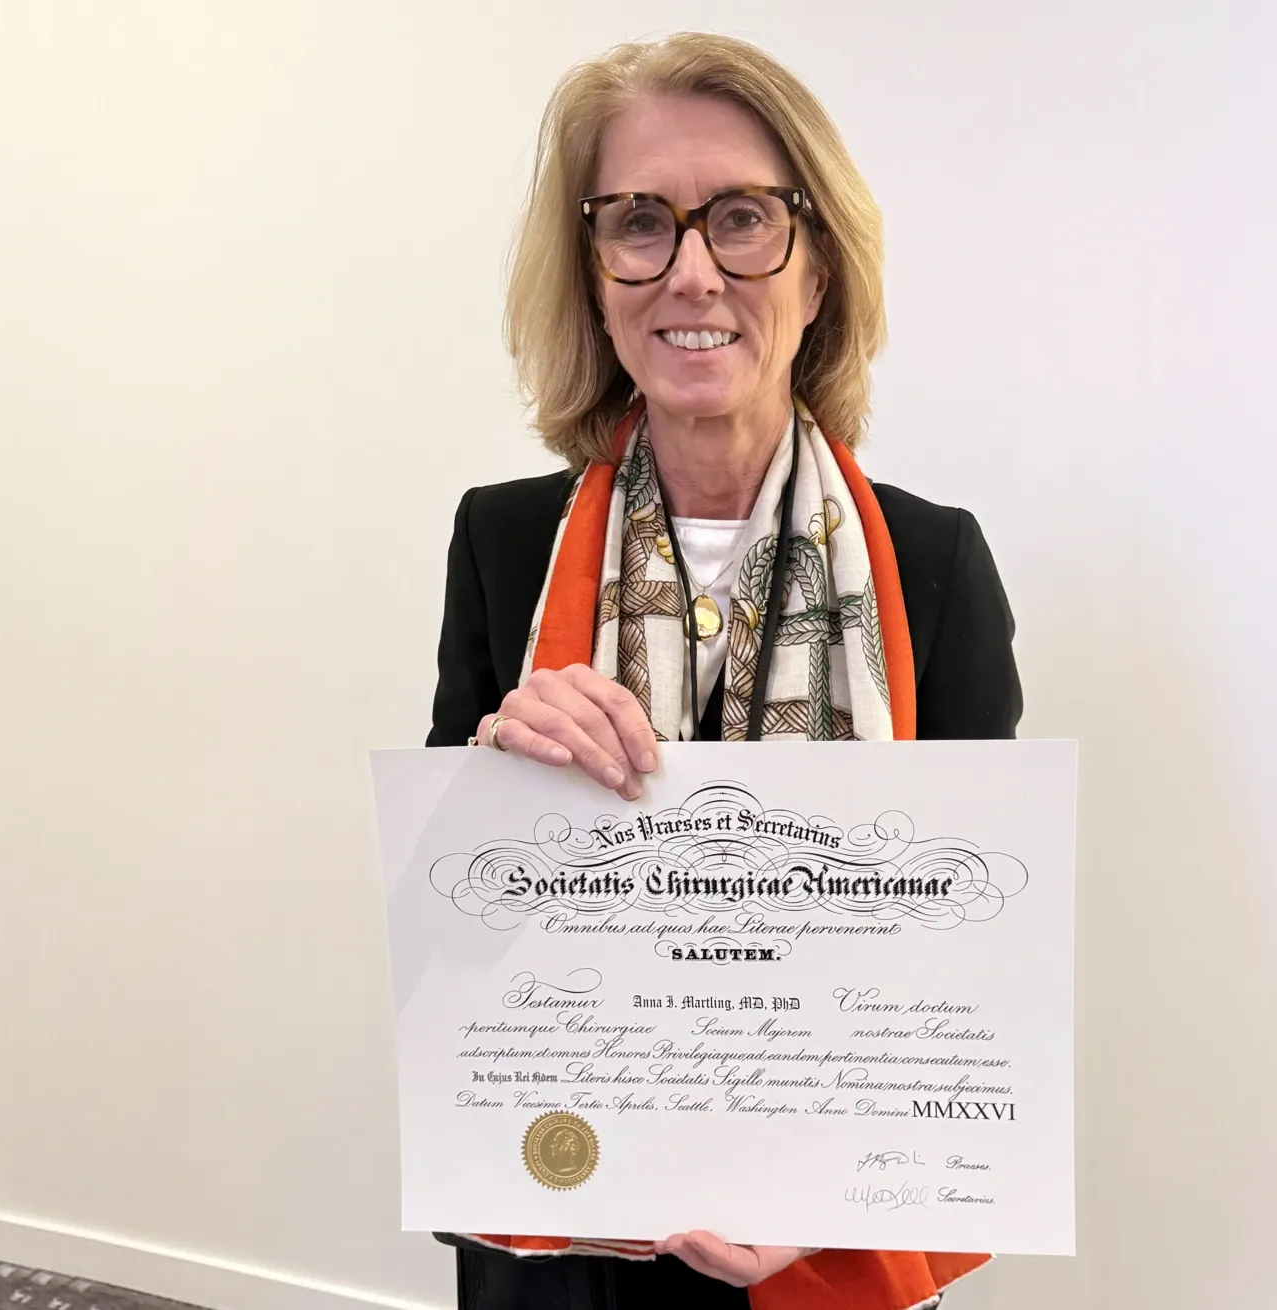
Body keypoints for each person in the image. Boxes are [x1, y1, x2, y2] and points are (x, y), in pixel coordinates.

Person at [425, 30, 1022, 1310]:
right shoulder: (503, 542)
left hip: (818, 1233)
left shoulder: (937, 565)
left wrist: (825, 1189)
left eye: (742, 218)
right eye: (641, 221)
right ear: (594, 274)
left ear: (817, 269)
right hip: (562, 1220)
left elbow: (974, 951)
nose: (691, 268)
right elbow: (439, 933)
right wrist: (493, 770)